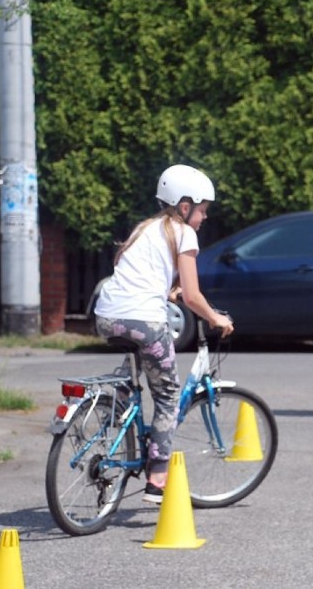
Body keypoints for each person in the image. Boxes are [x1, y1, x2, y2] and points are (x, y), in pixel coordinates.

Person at [94, 164, 234, 503]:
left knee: (139, 372)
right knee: (168, 395)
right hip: (144, 321)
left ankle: (120, 407)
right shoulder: (184, 233)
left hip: (106, 314)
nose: (203, 217)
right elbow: (193, 296)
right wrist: (216, 318)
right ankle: (158, 479)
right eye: (201, 210)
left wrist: (165, 291)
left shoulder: (147, 228)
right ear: (184, 206)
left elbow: (137, 274)